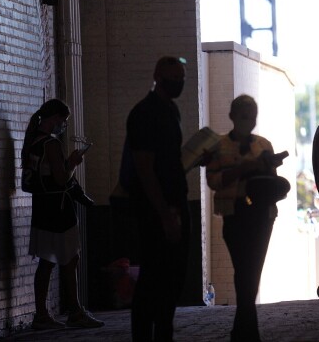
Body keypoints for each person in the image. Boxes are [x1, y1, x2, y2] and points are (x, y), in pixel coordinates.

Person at [206, 95, 289, 342]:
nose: (249, 121)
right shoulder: (218, 146)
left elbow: (271, 182)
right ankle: (246, 333)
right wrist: (246, 167)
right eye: (244, 116)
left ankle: (243, 333)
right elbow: (214, 181)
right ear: (232, 116)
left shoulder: (264, 144)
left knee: (250, 273)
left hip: (262, 215)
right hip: (234, 214)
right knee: (245, 272)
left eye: (252, 117)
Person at [118, 56, 190, 342]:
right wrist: (165, 214)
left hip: (171, 204)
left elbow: (166, 163)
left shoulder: (169, 110)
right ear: (158, 77)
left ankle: (162, 334)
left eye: (182, 78)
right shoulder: (146, 114)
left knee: (170, 279)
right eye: (175, 78)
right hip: (157, 209)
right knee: (154, 280)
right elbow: (145, 169)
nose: (179, 83)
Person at [22, 99, 104, 330]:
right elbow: (61, 178)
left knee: (46, 261)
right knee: (70, 258)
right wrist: (74, 163)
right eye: (63, 120)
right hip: (59, 210)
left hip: (42, 208)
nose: (63, 125)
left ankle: (41, 313)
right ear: (54, 118)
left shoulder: (33, 142)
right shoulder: (51, 144)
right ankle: (75, 311)